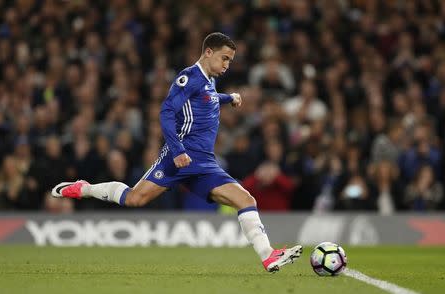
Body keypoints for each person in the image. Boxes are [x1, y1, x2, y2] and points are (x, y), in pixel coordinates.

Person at [52, 32, 302, 272]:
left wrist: (229, 98)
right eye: (224, 58)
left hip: (204, 163)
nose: (227, 65)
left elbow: (207, 99)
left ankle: (268, 256)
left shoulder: (208, 81)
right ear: (208, 52)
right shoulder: (188, 77)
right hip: (179, 158)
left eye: (230, 61)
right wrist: (178, 149)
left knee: (246, 200)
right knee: (135, 199)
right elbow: (167, 112)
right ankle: (85, 188)